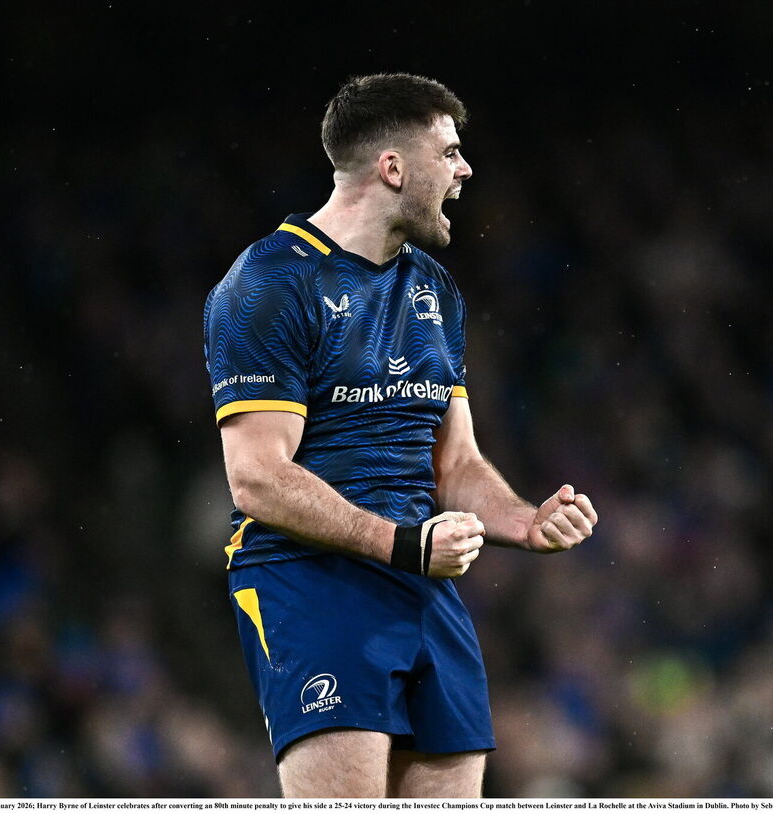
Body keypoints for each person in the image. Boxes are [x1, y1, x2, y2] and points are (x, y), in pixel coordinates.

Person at [202, 73, 598, 798]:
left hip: (422, 587)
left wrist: (523, 521)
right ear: (392, 167)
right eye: (448, 153)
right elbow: (256, 477)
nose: (465, 169)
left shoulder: (434, 289)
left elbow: (456, 462)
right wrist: (402, 543)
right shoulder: (269, 284)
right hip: (311, 586)